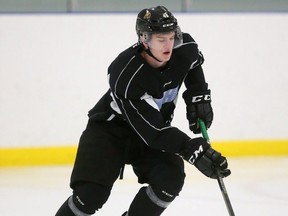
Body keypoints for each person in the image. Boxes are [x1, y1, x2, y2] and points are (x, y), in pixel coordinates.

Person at [55, 5, 231, 216]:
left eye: (171, 36)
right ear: (144, 39)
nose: (169, 45)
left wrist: (198, 95)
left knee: (170, 177)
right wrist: (190, 148)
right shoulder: (126, 74)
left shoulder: (184, 46)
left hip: (152, 131)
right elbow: (154, 132)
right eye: (161, 39)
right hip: (110, 132)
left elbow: (192, 65)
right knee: (90, 195)